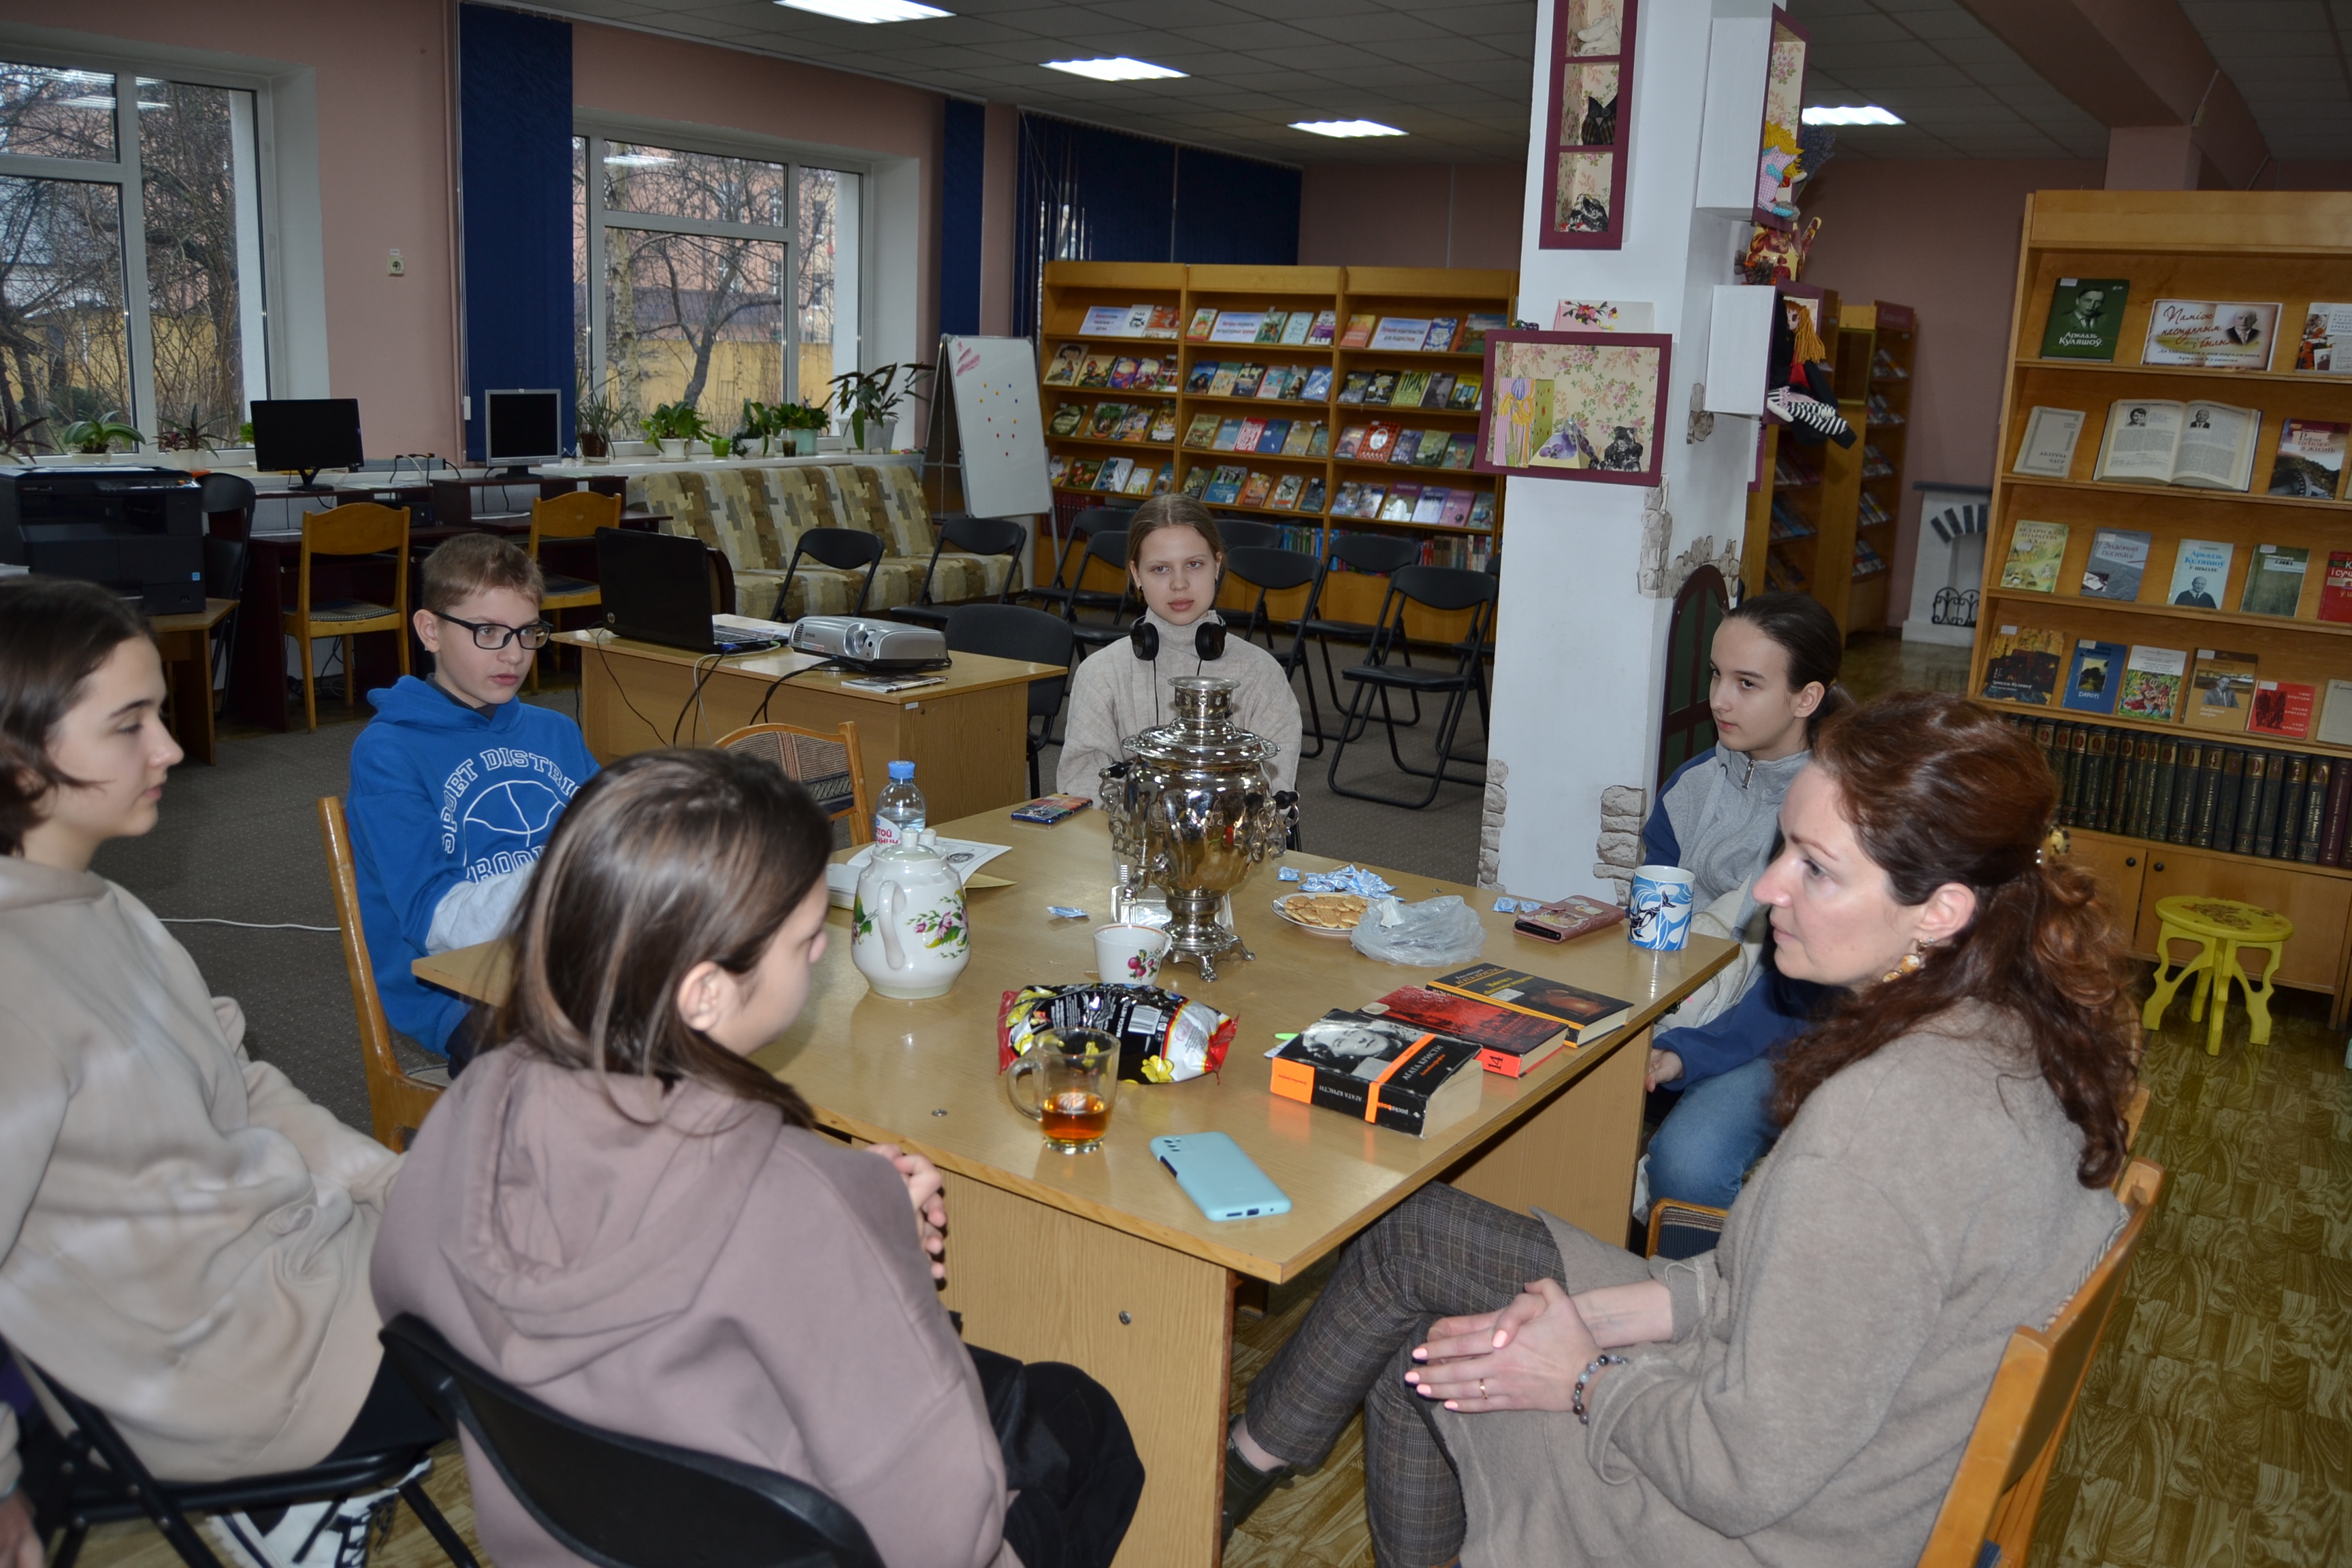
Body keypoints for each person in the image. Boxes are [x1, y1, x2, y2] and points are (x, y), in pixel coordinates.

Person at [1222, 691, 2140, 1568]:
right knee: (1418, 1239)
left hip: (1764, 1534)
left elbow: (1744, 1471)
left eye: (1816, 868)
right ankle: (1239, 1468)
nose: (1768, 888)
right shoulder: (2017, 1026)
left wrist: (1586, 1376)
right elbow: (1816, 1296)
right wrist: (1616, 1313)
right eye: (1786, 847)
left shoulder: (1879, 1131)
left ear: (1940, 910)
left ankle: (1233, 1475)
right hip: (1840, 1448)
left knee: (1432, 1356)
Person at [372, 749, 1145, 1568]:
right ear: (706, 991)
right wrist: (880, 1252)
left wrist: (847, 1217)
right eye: (806, 939)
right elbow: (944, 1535)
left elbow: (401, 1299)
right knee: (1084, 1422)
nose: (818, 956)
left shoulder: (478, 1101)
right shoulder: (804, 1204)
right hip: (789, 1534)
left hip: (577, 1529)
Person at [0, 577, 444, 1568]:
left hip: (285, 1280)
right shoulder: (11, 979)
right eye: (130, 725)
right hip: (226, 1369)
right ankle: (303, 1494)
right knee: (572, 1336)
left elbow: (240, 1084)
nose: (168, 749)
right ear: (17, 753)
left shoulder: (99, 906)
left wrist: (393, 1188)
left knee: (554, 1253)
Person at [1634, 591, 1849, 1211]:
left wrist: (1689, 1052)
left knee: (1689, 1163)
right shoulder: (1693, 784)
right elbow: (1651, 924)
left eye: (1747, 683)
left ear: (1806, 698)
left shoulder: (1837, 813)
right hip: (1690, 1002)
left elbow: (1802, 993)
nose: (1719, 700)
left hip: (1790, 1028)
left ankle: (1696, 1272)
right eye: (1715, 674)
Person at [348, 533, 598, 1065]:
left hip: (567, 957)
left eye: (528, 632)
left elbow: (612, 845)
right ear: (430, 630)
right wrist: (572, 869)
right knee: (575, 1062)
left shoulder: (555, 732)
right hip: (459, 994)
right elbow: (437, 926)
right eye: (488, 631)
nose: (514, 654)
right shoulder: (388, 751)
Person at [1056, 496, 1303, 802]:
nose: (1179, 583)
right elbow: (1082, 788)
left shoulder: (1261, 675)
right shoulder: (1100, 673)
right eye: (1160, 569)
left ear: (1217, 565)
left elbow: (1272, 797)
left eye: (1194, 564)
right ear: (1137, 575)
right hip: (1121, 832)